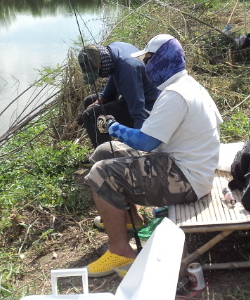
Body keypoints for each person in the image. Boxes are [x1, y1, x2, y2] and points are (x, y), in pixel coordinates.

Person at [83, 34, 222, 277]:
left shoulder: (175, 95)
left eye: (148, 60)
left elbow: (146, 141)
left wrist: (114, 127)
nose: (145, 67)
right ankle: (133, 218)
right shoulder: (185, 85)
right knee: (105, 151)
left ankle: (121, 253)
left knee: (101, 174)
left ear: (162, 60)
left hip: (187, 179)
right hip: (186, 165)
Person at [77, 40, 160, 148]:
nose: (99, 74)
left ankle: (106, 155)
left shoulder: (128, 69)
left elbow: (138, 110)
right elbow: (114, 75)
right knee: (90, 101)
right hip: (130, 95)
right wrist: (101, 99)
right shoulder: (113, 50)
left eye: (97, 70)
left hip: (147, 109)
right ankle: (105, 145)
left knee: (90, 115)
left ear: (101, 62)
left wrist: (140, 144)